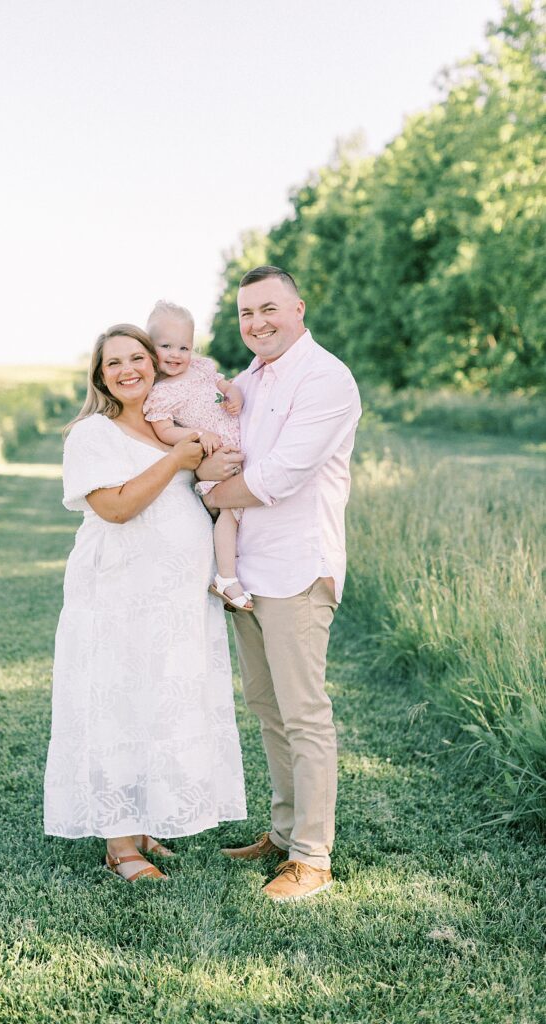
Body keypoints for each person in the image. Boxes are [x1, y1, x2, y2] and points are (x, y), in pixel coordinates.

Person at [43, 324, 247, 883]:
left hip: (174, 604)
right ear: (100, 376)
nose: (128, 369)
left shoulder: (172, 431)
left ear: (156, 365)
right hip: (118, 598)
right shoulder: (91, 435)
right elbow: (115, 507)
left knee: (159, 704)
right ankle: (119, 844)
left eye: (138, 358)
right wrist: (179, 459)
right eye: (114, 363)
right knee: (118, 705)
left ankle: (142, 824)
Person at [201, 266, 361, 903]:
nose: (257, 323)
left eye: (269, 308)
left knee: (304, 714)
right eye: (245, 314)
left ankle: (313, 859)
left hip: (298, 567)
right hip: (247, 573)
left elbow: (278, 477)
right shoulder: (245, 382)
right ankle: (283, 829)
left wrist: (210, 490)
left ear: (298, 308)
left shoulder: (326, 378)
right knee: (268, 710)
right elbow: (210, 445)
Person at [143, 300, 252, 611]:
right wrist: (197, 434)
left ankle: (238, 572)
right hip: (216, 455)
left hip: (237, 450)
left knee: (247, 517)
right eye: (166, 346)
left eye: (184, 347)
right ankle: (226, 579)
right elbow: (164, 432)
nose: (177, 355)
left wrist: (234, 394)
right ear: (150, 348)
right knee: (230, 514)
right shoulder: (161, 393)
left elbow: (226, 384)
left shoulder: (201, 369)